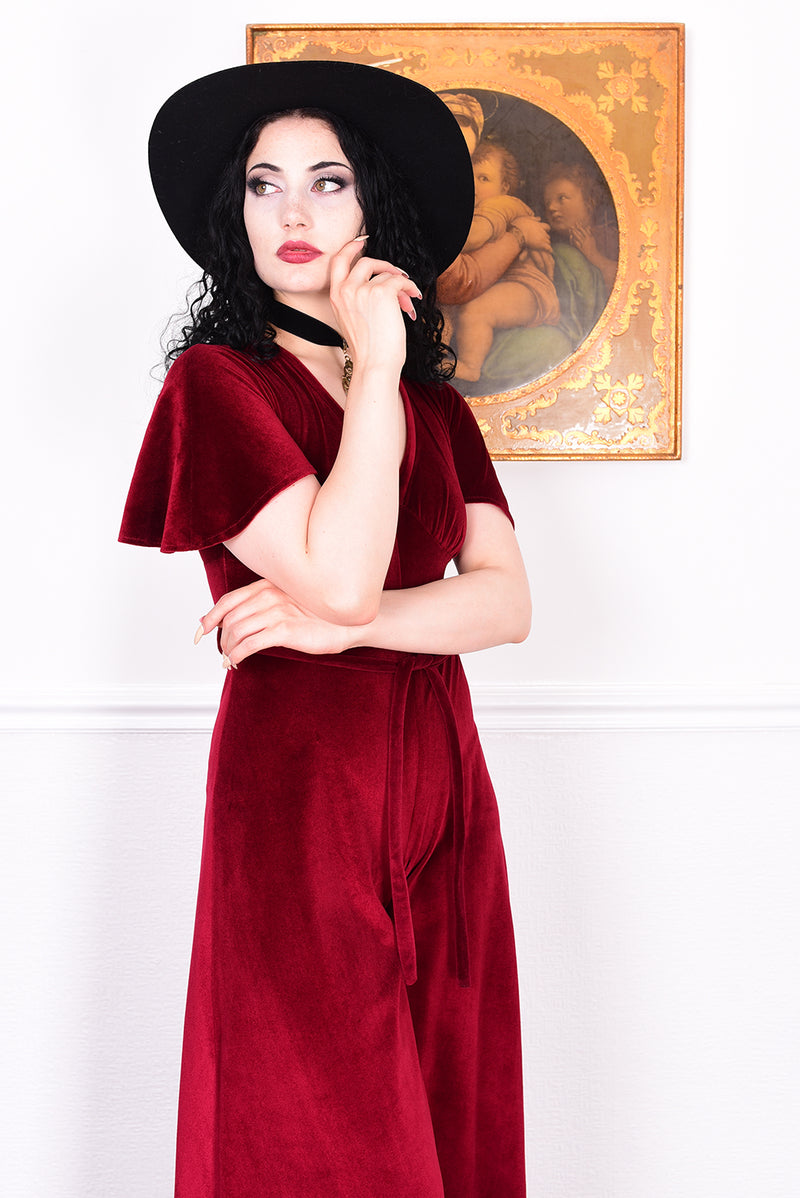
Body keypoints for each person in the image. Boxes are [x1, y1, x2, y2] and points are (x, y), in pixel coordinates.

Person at [119, 61, 530, 1197]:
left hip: (445, 789)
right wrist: (378, 374)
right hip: (297, 797)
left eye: (325, 182)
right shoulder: (217, 386)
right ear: (233, 214)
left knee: (452, 1113)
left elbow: (505, 601)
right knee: (313, 1134)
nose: (291, 213)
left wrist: (341, 633)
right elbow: (342, 574)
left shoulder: (437, 412)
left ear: (373, 208)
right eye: (262, 186)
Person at [452, 140, 560, 382]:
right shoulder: (475, 209)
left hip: (527, 288)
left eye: (484, 179)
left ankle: (470, 366)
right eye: (469, 176)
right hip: (505, 285)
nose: (474, 185)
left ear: (506, 186)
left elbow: (473, 237)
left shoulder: (500, 205)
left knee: (476, 310)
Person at [542, 162, 619, 295]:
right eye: (547, 202)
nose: (551, 207)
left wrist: (593, 255)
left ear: (588, 201)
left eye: (562, 198)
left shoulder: (610, 238)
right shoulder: (550, 245)